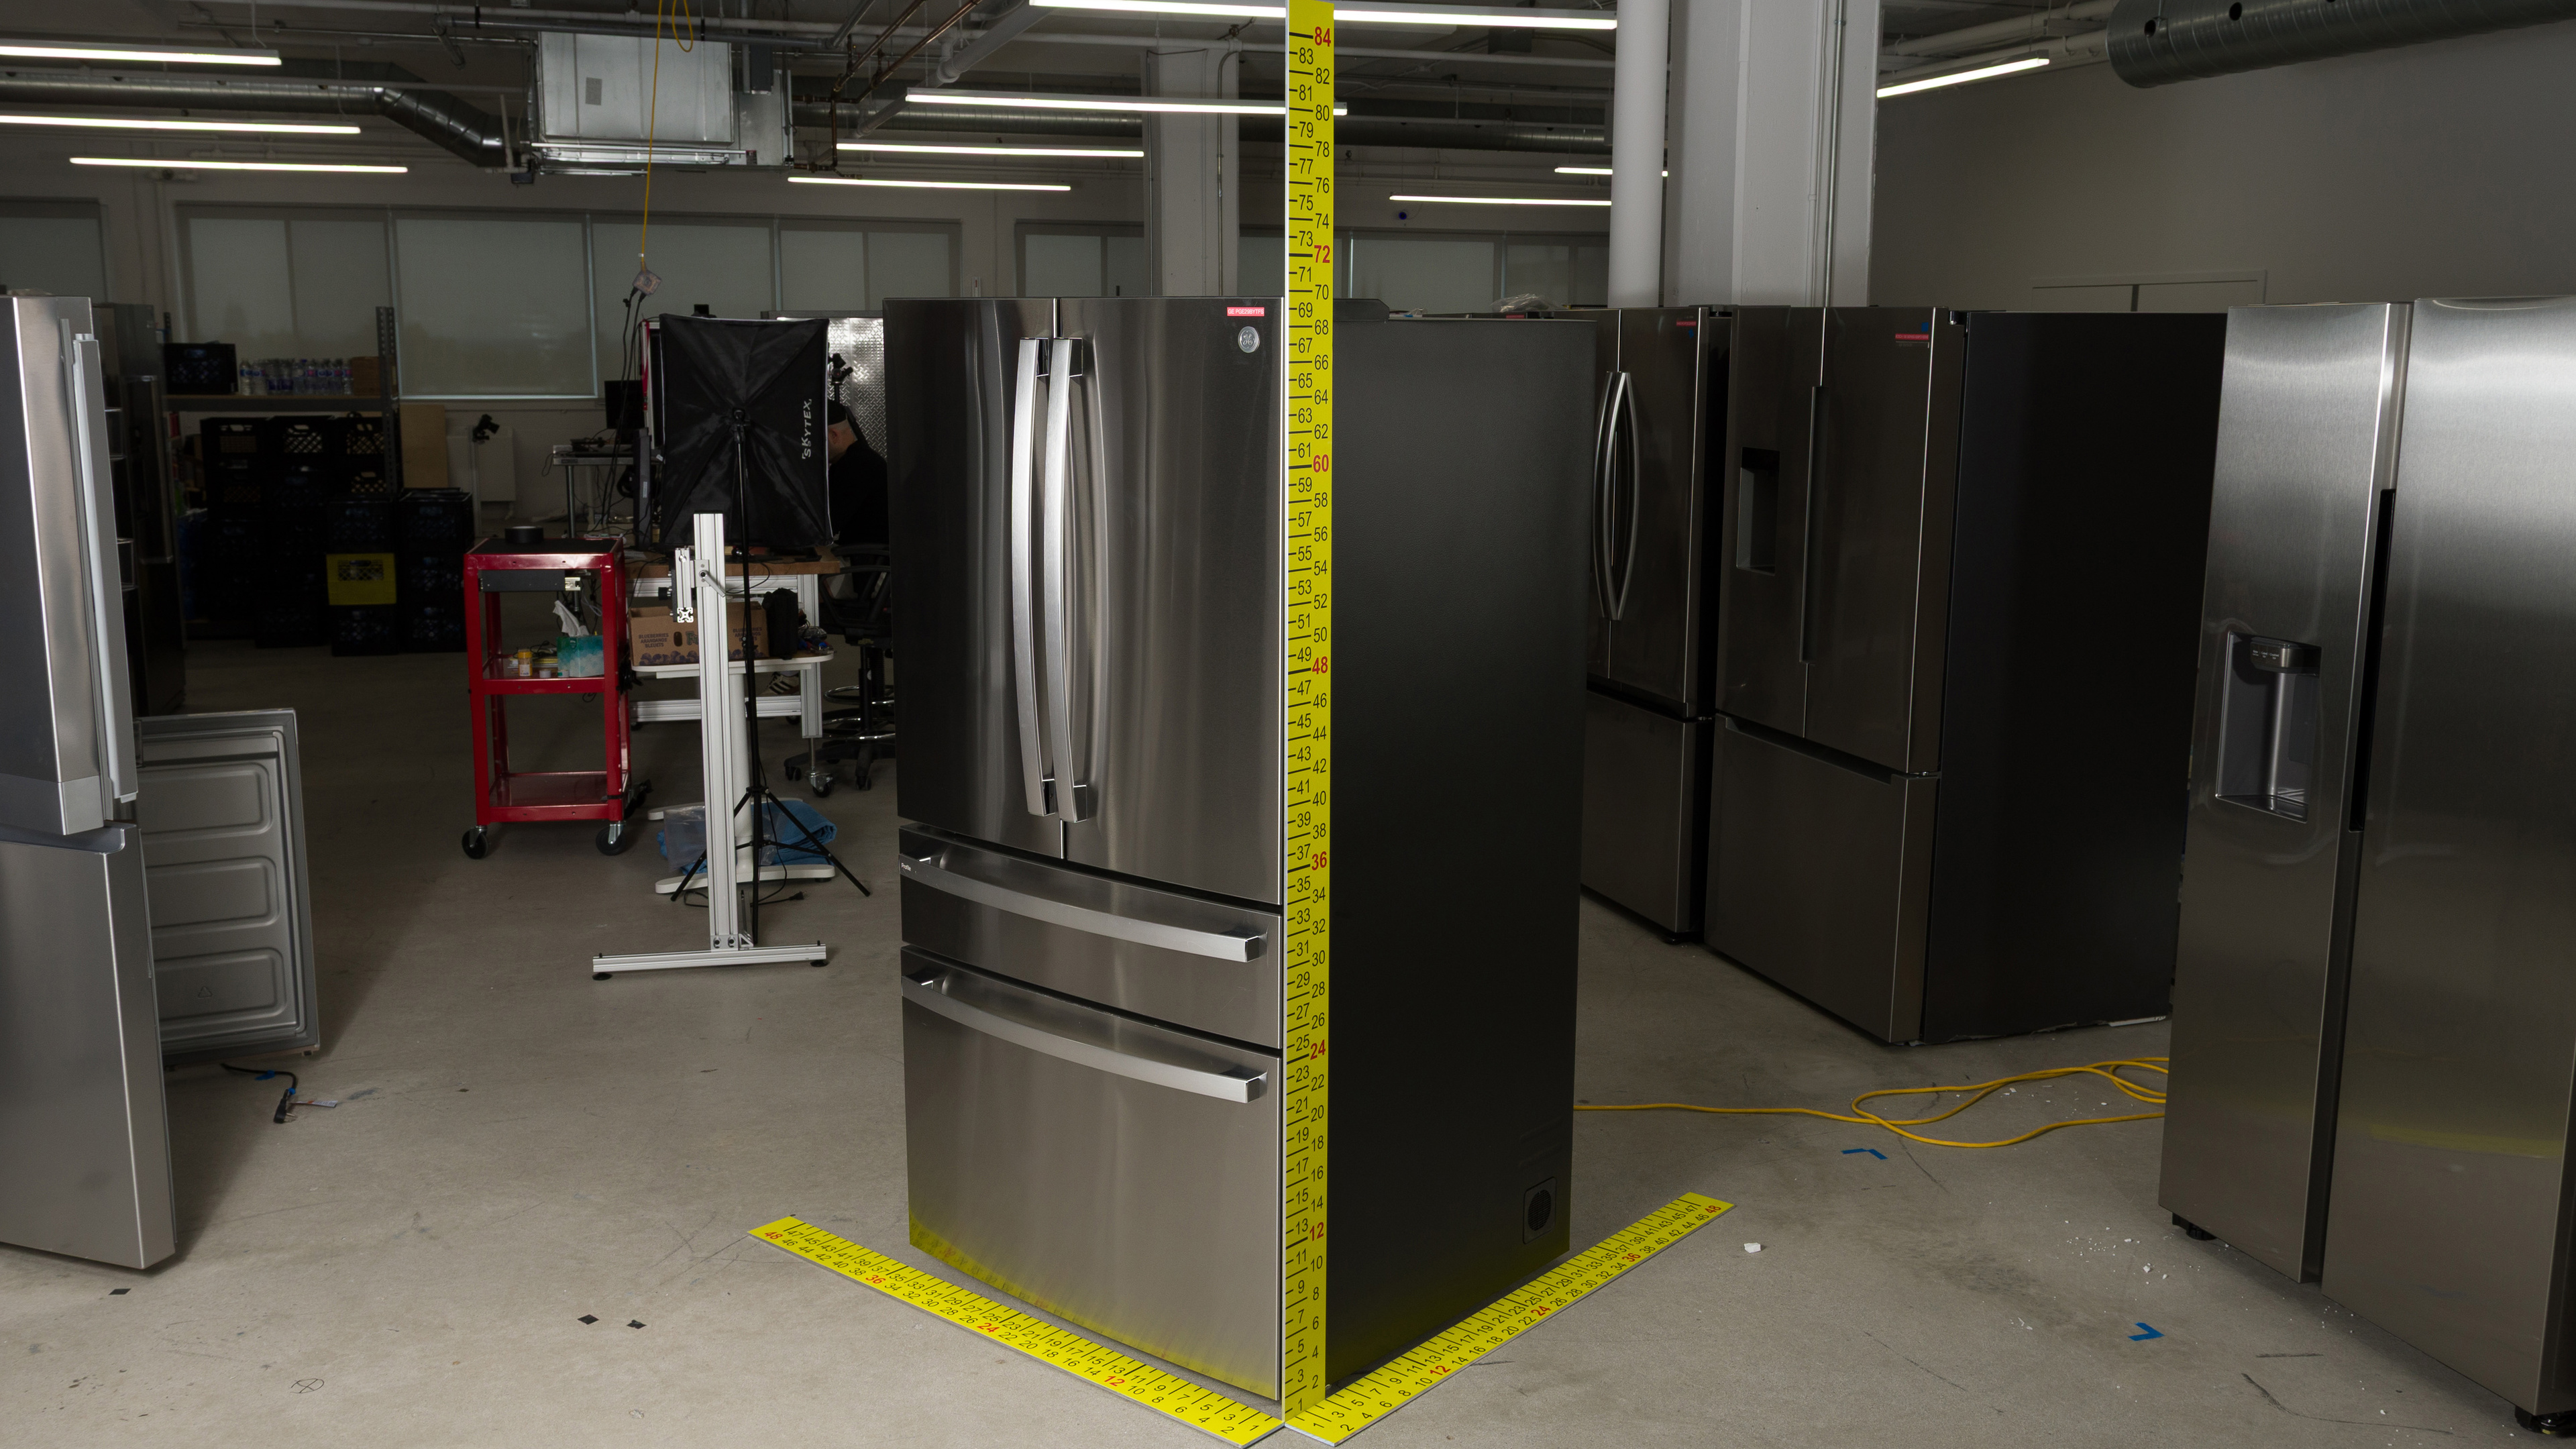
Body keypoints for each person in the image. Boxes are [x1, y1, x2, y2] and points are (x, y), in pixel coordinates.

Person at [825, 399, 888, 548]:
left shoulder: (856, 466)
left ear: (834, 436)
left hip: (864, 557)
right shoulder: (857, 459)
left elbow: (828, 525)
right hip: (862, 554)